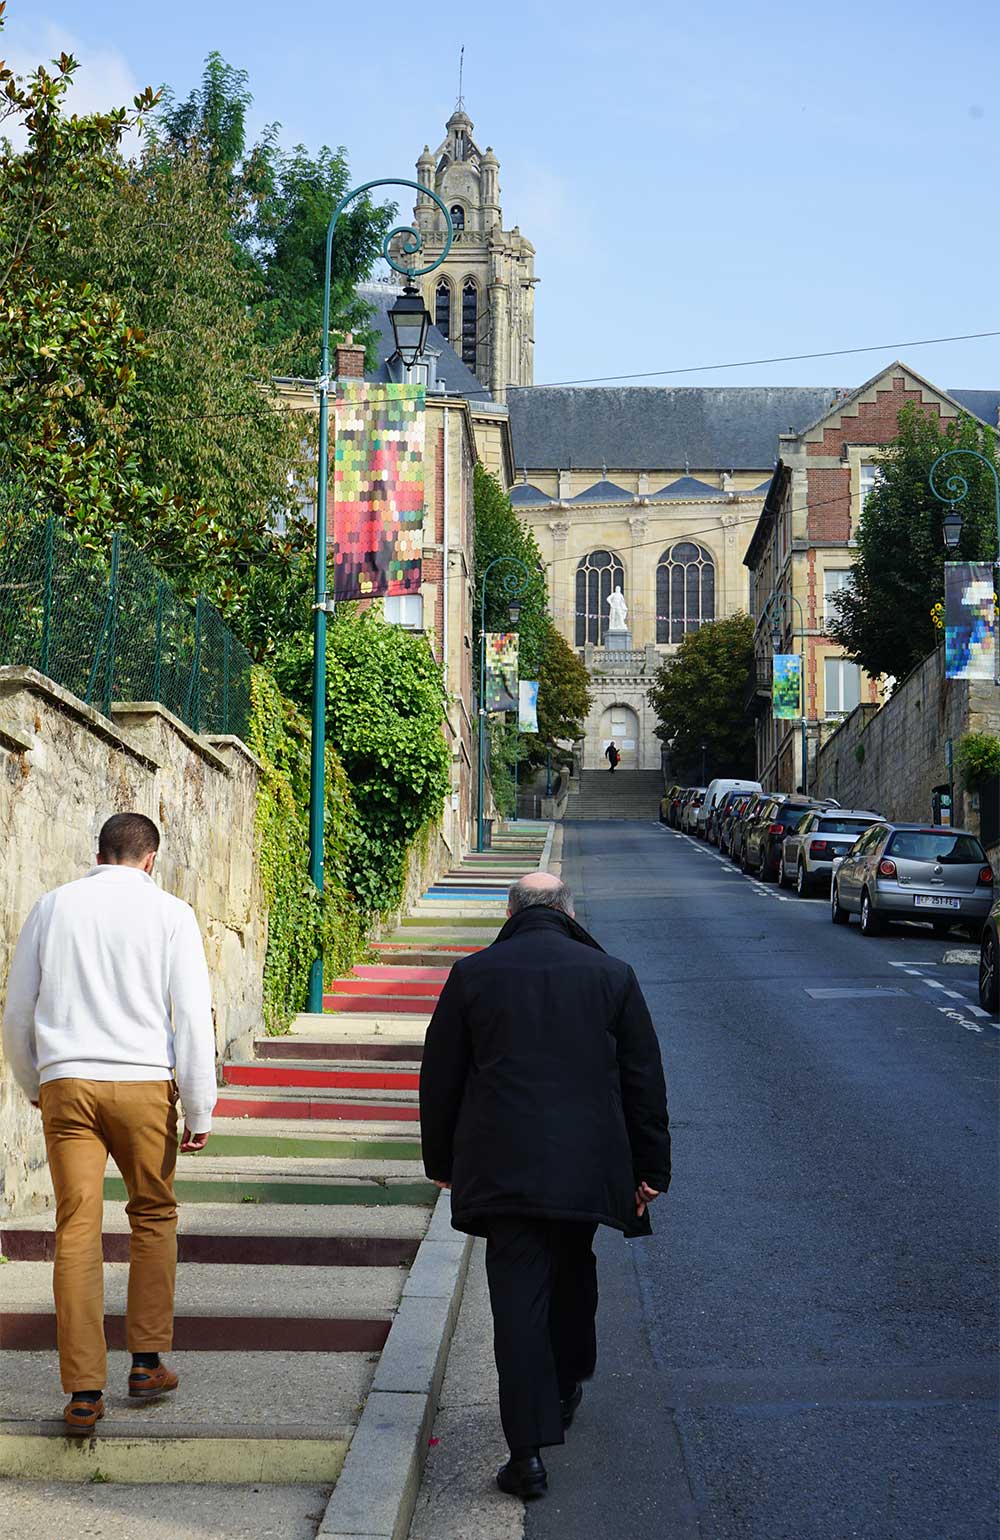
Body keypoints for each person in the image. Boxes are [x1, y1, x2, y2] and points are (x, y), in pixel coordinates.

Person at [419, 872, 671, 1501]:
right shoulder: (612, 975)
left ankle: (527, 1455)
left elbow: (440, 1079)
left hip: (503, 1169)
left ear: (511, 912)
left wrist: (441, 1161)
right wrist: (651, 1170)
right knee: (573, 1267)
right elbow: (643, 1080)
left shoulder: (472, 976)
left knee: (517, 1300)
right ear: (568, 911)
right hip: (586, 1166)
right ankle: (564, 1384)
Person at [1, 812, 217, 1432]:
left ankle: (83, 1393)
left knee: (76, 1229)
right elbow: (191, 1019)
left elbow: (18, 1011)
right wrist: (198, 1106)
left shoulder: (51, 908)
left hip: (66, 1081)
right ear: (151, 859)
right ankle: (147, 1361)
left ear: (98, 853)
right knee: (152, 1212)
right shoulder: (172, 915)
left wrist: (33, 1081)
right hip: (143, 1082)